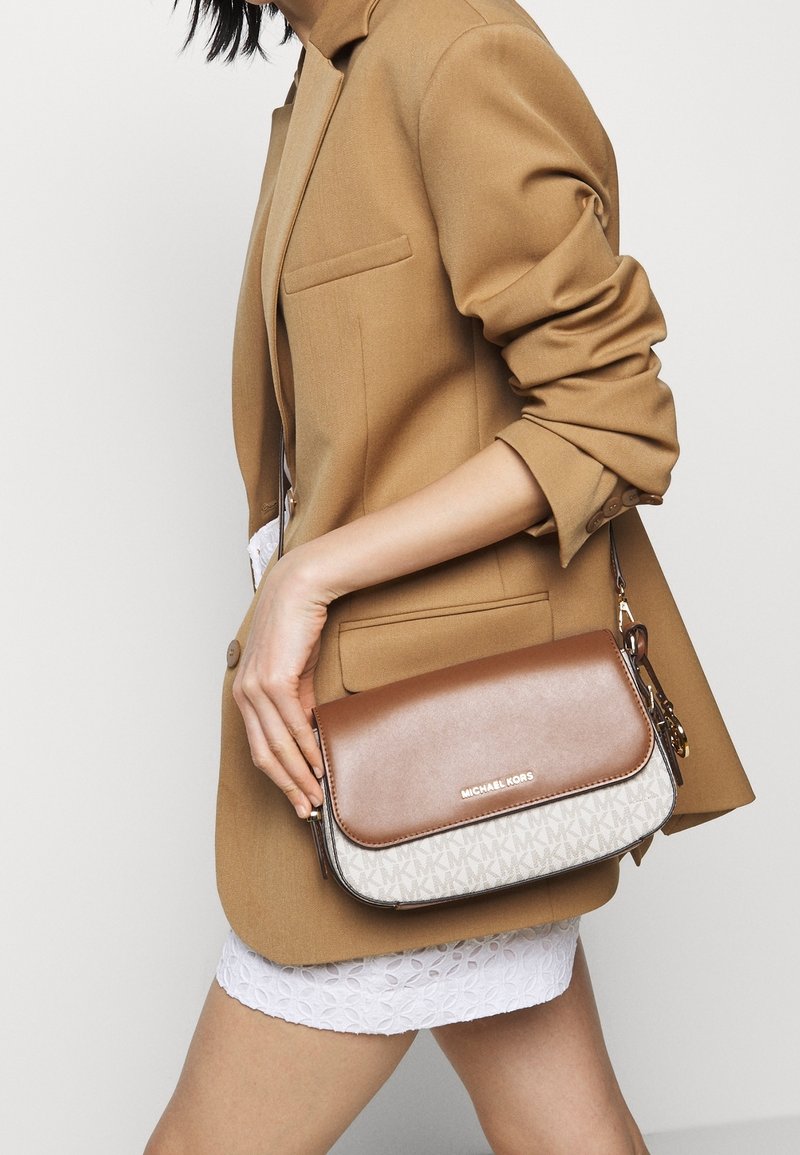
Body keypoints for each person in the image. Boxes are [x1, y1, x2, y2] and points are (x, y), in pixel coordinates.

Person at [146, 1, 755, 1152]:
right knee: (564, 1129)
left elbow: (610, 416)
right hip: (404, 746)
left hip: (417, 756)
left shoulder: (455, 51)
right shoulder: (331, 67)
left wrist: (308, 577)